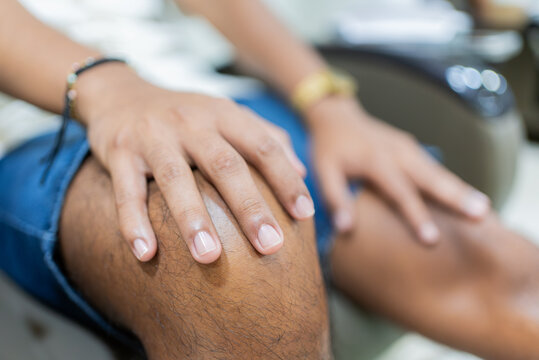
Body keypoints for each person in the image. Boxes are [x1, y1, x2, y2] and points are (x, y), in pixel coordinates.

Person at [0, 0, 538, 358]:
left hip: (207, 94)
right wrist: (111, 91)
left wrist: (328, 104)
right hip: (46, 119)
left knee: (503, 272)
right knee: (225, 253)